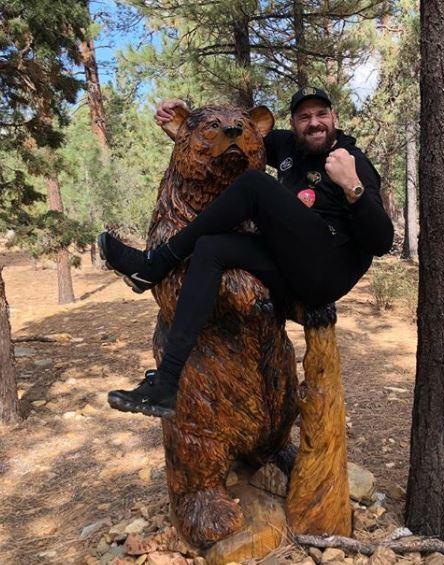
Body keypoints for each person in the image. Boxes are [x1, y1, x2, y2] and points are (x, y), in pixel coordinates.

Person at [99, 87, 394, 418]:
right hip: (293, 264)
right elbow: (229, 141)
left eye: (321, 115)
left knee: (255, 185)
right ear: (293, 123)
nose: (314, 123)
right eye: (304, 117)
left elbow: (382, 242)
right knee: (210, 249)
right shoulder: (285, 146)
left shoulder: (353, 162)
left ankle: (153, 264)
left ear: (334, 119)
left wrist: (352, 185)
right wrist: (184, 120)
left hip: (329, 270)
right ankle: (166, 384)